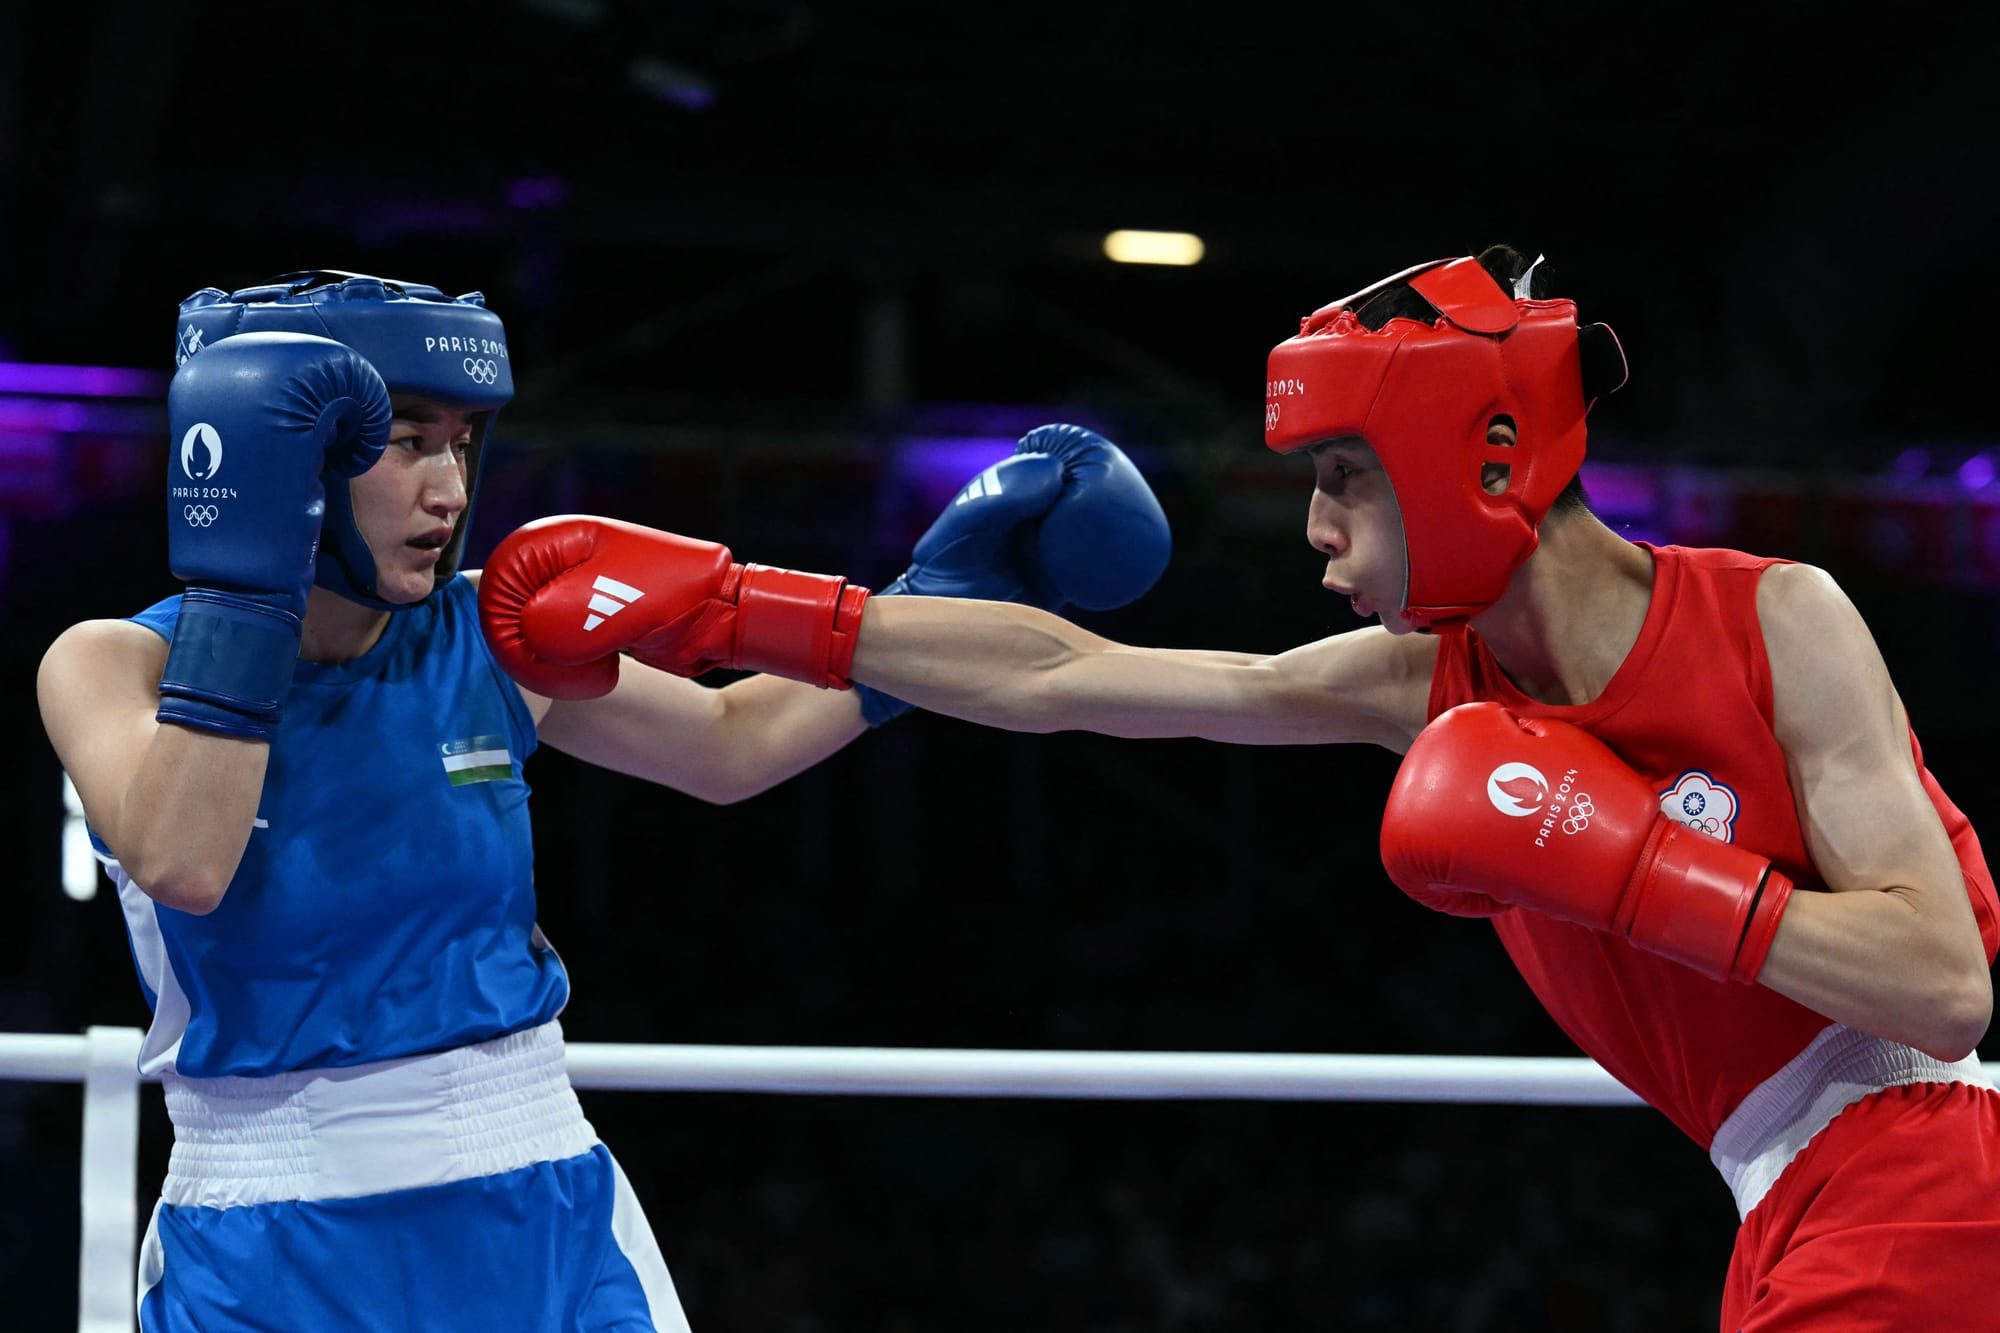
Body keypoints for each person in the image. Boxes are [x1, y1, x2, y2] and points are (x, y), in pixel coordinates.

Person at [492, 246, 2000, 1330]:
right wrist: (747, 610)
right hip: (1798, 1201)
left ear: (1473, 458)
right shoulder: (1420, 687)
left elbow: (1942, 984)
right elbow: (1065, 679)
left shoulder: (1774, 617)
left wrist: (1632, 859)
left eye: (1344, 479)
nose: (1318, 534)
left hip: (1930, 1170)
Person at [35, 269, 1170, 1330]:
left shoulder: (486, 634)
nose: (448, 490)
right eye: (406, 445)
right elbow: (186, 862)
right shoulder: (109, 664)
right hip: (264, 1227)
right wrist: (247, 589)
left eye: (464, 444)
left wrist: (934, 603)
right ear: (280, 456)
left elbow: (735, 740)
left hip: (537, 1195)